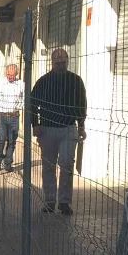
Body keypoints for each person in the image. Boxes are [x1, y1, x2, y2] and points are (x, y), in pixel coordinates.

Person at [31, 49, 87, 215]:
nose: (60, 63)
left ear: (67, 61)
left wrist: (81, 125)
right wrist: (35, 124)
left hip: (69, 129)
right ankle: (49, 200)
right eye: (57, 61)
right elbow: (33, 103)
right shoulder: (43, 81)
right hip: (47, 129)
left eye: (63, 61)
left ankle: (64, 202)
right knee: (49, 166)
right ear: (52, 62)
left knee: (67, 164)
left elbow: (81, 105)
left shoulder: (76, 81)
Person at [0, 63, 23, 171]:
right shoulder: (1, 83)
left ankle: (8, 163)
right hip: (2, 116)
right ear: (6, 73)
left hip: (14, 116)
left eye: (13, 75)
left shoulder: (21, 84)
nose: (10, 77)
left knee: (12, 140)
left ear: (16, 74)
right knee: (2, 138)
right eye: (8, 74)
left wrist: (21, 106)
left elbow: (25, 98)